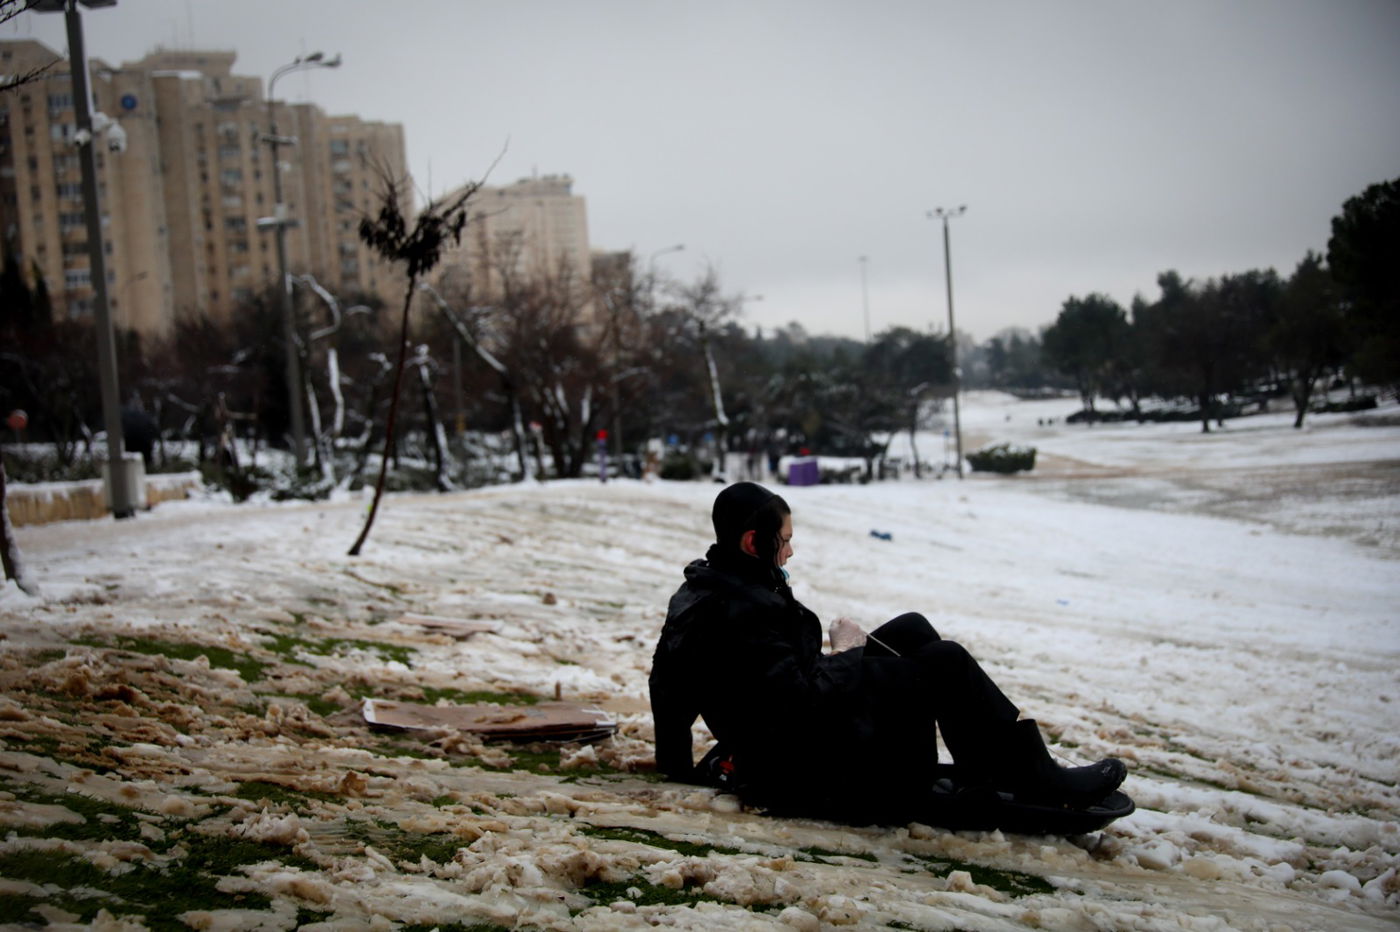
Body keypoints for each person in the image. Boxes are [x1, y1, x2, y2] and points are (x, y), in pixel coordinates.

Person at [649, 481, 1126, 825]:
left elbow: (666, 685)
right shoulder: (741, 610)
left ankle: (991, 769)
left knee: (911, 630)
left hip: (786, 746)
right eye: (786, 541)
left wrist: (677, 764)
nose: (791, 553)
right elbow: (798, 701)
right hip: (809, 772)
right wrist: (847, 653)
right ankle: (1037, 778)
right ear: (755, 542)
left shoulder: (704, 592)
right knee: (945, 660)